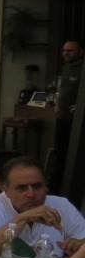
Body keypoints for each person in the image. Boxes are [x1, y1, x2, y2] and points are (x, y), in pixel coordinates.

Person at [0, 156, 85, 258]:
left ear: (46, 186)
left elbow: (82, 240)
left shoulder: (62, 205)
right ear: (6, 191)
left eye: (37, 186)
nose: (31, 194)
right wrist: (23, 218)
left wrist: (79, 245)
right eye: (22, 188)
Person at [53, 40, 84, 193]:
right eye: (64, 50)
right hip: (62, 117)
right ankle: (56, 188)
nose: (66, 53)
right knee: (59, 154)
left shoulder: (82, 69)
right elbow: (63, 88)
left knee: (74, 157)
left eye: (70, 50)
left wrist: (81, 106)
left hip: (76, 121)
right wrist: (57, 102)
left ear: (80, 52)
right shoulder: (65, 68)